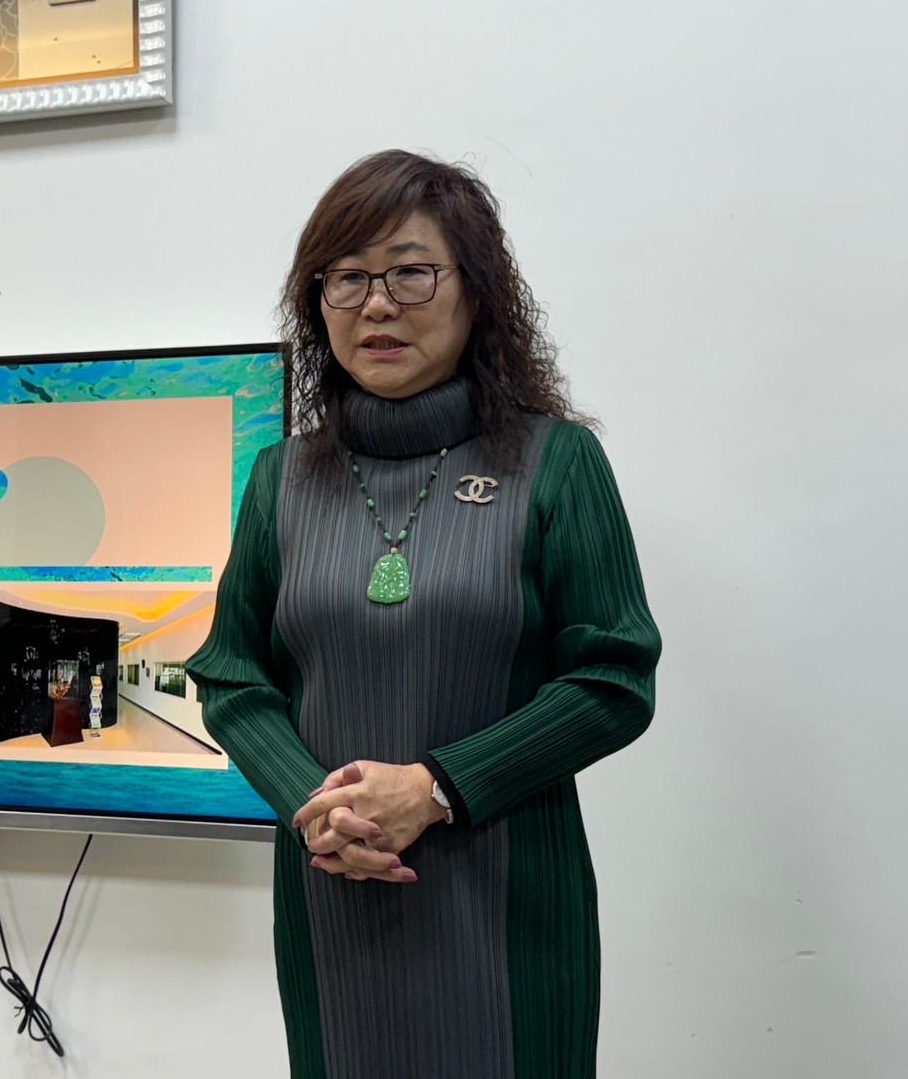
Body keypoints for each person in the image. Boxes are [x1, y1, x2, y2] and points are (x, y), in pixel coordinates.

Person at [186, 150, 661, 1079]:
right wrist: (313, 803)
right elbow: (233, 675)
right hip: (332, 890)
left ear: (475, 292)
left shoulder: (555, 462)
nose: (376, 305)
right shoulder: (281, 479)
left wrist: (435, 787)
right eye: (346, 278)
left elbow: (613, 678)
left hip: (506, 896)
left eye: (409, 272)